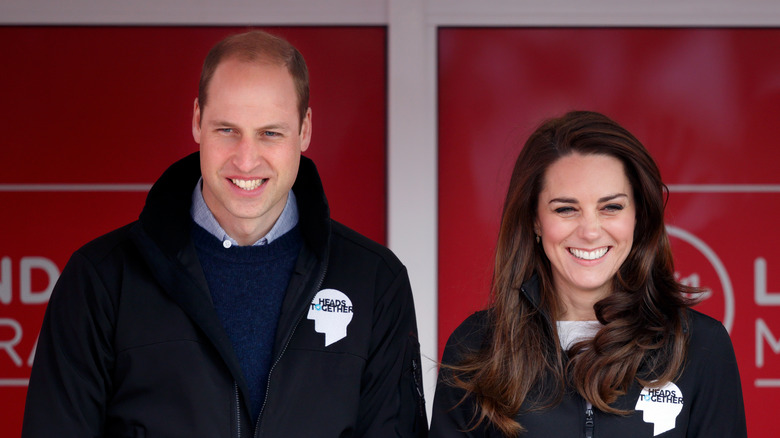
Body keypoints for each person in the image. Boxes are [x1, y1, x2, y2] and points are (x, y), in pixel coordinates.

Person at [22, 30, 427, 437]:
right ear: (197, 121)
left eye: (270, 133)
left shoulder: (374, 282)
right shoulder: (101, 280)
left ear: (304, 130)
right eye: (226, 130)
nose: (246, 160)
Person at [429, 111, 747, 437]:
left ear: (638, 215)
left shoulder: (700, 346)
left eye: (611, 207)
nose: (590, 231)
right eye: (566, 209)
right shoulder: (478, 346)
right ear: (535, 220)